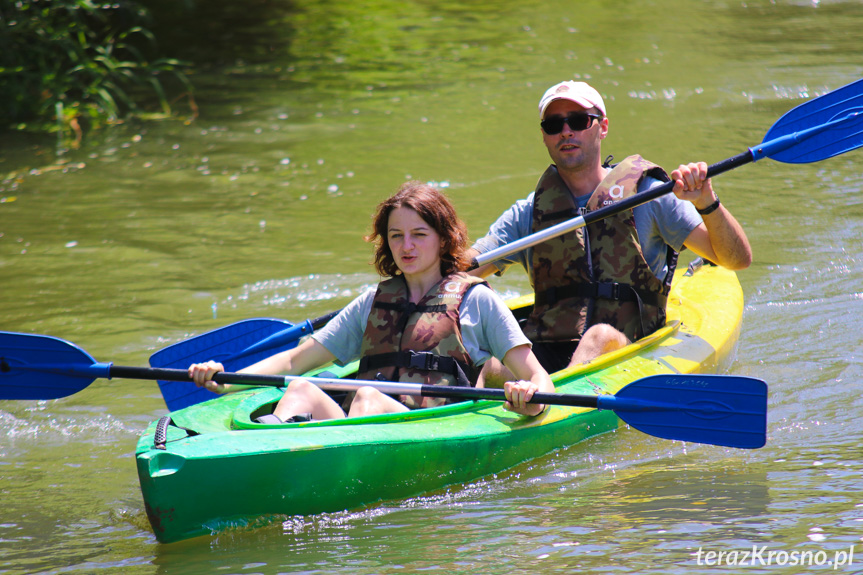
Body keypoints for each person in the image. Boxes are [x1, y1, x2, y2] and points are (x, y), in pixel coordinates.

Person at [189, 181, 555, 421]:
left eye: (418, 235)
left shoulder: (477, 301)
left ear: (444, 239)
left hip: (427, 433)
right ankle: (272, 448)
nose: (406, 246)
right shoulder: (372, 302)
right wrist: (224, 380)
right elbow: (294, 360)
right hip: (358, 435)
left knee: (367, 397)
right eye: (396, 236)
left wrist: (529, 396)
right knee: (301, 387)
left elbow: (540, 380)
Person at [468, 80, 752, 375]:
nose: (566, 131)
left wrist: (706, 201)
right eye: (554, 125)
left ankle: (553, 404)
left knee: (598, 336)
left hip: (626, 346)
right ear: (544, 135)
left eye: (578, 121)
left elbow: (736, 259)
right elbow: (465, 268)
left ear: (602, 127)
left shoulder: (650, 196)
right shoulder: (529, 212)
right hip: (547, 352)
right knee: (482, 355)